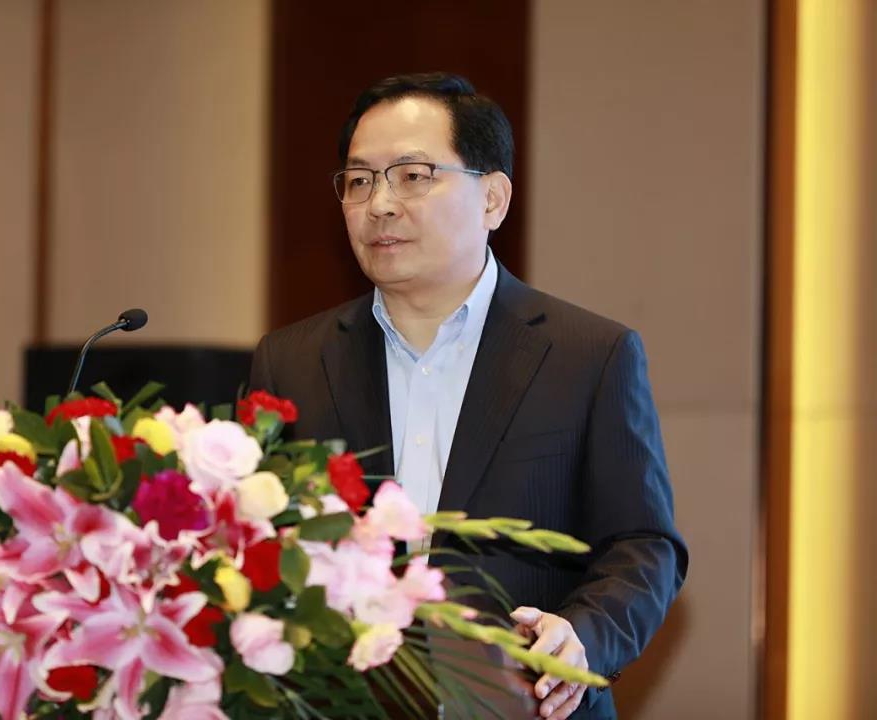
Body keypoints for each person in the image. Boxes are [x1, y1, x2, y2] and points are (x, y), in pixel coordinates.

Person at [249, 73, 688, 720]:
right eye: (359, 180)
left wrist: (583, 637)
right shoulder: (291, 362)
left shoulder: (589, 355)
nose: (380, 204)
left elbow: (645, 546)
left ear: (493, 199)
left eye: (413, 175)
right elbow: (256, 548)